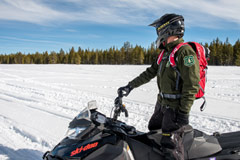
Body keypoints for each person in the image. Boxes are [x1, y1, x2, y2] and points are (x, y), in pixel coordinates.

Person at [117, 13, 200, 160]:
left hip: (174, 109)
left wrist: (184, 112)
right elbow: (150, 72)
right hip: (161, 105)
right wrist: (130, 86)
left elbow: (192, 84)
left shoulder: (184, 52)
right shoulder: (165, 53)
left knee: (171, 146)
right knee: (153, 134)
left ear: (167, 30)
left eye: (158, 30)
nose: (157, 34)